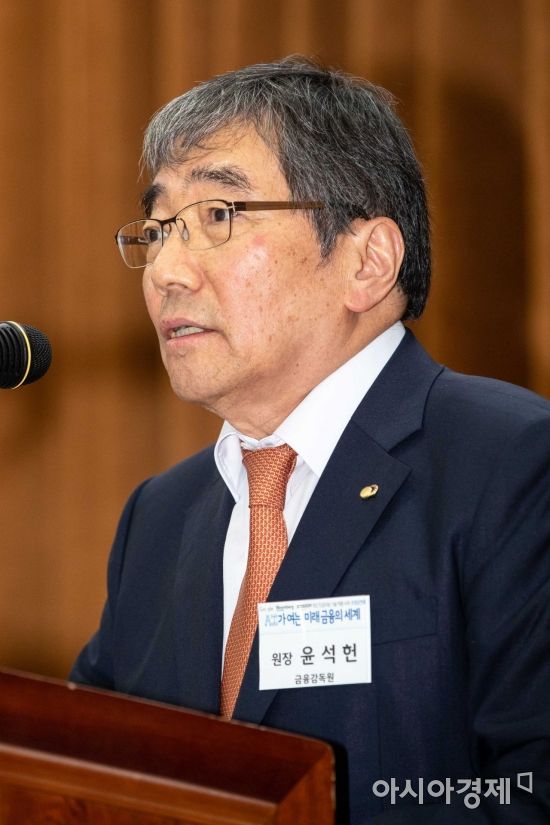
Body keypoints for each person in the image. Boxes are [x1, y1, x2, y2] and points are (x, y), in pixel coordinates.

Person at [71, 57, 550, 824]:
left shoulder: (514, 464)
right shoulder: (159, 518)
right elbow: (83, 780)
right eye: (158, 229)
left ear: (367, 261)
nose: (165, 270)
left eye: (218, 216)